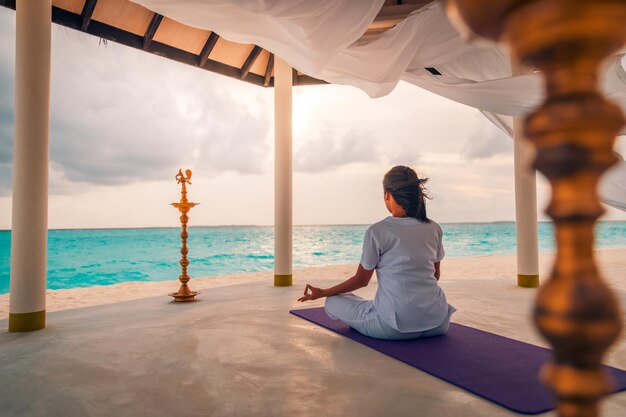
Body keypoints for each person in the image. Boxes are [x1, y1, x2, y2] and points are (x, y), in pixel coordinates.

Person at [297, 165, 456, 340]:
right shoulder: (433, 228)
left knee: (333, 302)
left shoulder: (377, 231)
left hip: (394, 327)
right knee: (365, 302)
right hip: (438, 322)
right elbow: (435, 274)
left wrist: (323, 292)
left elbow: (361, 281)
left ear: (387, 195)